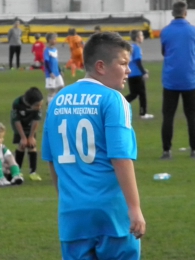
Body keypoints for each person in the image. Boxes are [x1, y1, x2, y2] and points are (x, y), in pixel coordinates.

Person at [42, 32, 146, 259]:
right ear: (101, 66)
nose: (128, 70)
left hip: (73, 216)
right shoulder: (113, 99)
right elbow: (120, 158)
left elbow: (52, 159)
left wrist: (66, 200)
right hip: (111, 214)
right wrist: (135, 208)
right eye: (123, 63)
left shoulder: (57, 100)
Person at [160, 1, 195, 160]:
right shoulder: (193, 31)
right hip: (190, 78)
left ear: (173, 13)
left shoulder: (165, 31)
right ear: (185, 13)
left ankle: (166, 151)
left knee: (168, 116)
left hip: (171, 79)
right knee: (192, 116)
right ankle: (194, 150)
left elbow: (164, 52)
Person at [11, 87, 43, 181]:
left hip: (31, 127)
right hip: (19, 127)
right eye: (37, 105)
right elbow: (16, 121)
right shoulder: (17, 103)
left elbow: (35, 121)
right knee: (21, 145)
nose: (39, 107)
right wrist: (23, 137)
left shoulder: (37, 107)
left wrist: (31, 136)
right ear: (29, 103)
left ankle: (33, 172)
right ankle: (17, 171)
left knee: (32, 146)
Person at [125, 30, 154, 119]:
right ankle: (143, 113)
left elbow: (132, 61)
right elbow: (137, 61)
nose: (143, 37)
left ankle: (118, 103)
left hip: (131, 74)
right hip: (137, 74)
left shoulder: (131, 47)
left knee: (134, 94)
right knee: (142, 94)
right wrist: (143, 72)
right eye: (141, 36)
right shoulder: (137, 48)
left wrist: (142, 70)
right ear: (137, 38)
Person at [44, 33, 64, 105]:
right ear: (49, 40)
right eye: (54, 39)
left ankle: (56, 102)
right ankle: (50, 104)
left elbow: (56, 61)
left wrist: (59, 70)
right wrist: (50, 72)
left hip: (57, 73)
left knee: (61, 87)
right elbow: (46, 62)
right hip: (51, 74)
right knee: (52, 90)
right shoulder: (47, 50)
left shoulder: (55, 49)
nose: (56, 41)